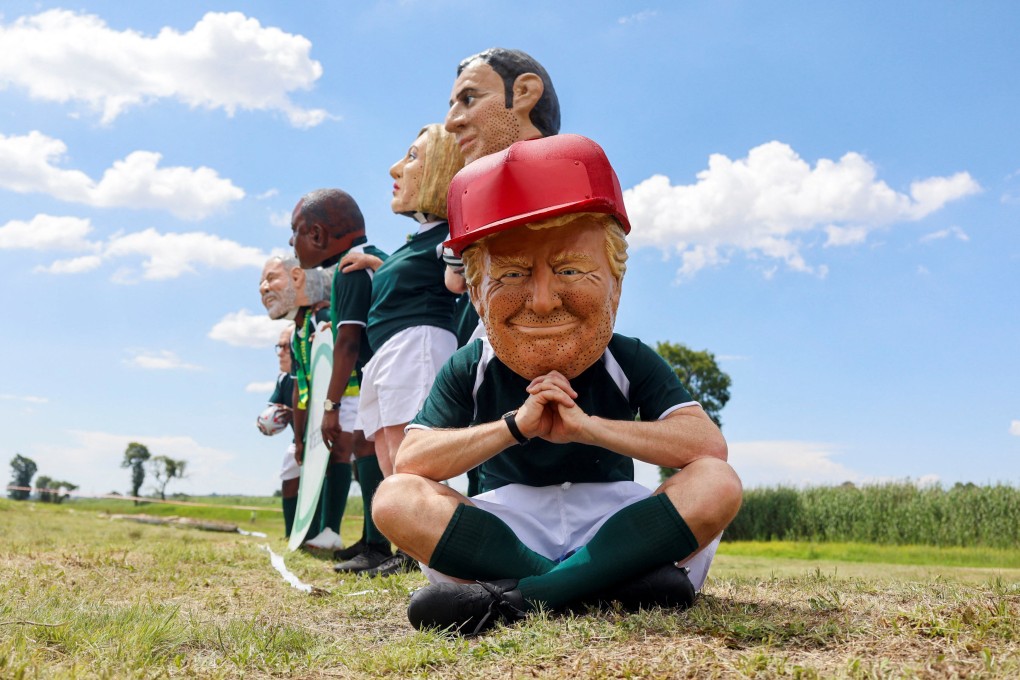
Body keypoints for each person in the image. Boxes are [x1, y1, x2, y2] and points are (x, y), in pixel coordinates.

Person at [372, 135, 743, 635]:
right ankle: (608, 588)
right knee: (394, 498)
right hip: (506, 526)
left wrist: (589, 429)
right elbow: (411, 462)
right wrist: (514, 427)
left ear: (616, 280)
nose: (543, 300)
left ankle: (522, 598)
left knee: (716, 483)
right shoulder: (472, 364)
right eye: (513, 273)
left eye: (570, 269)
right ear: (477, 293)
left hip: (616, 522)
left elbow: (705, 446)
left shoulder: (625, 355)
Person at [332, 123, 465, 577]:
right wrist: (379, 261)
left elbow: (455, 275)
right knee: (390, 451)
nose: (396, 167)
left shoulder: (451, 232)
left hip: (419, 343)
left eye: (411, 157)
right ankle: (410, 542)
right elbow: (413, 270)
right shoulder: (420, 240)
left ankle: (431, 541)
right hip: (391, 350)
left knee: (412, 453)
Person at [443, 47, 563, 496]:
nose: (454, 120)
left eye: (469, 99)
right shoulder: (479, 188)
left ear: (525, 92)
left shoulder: (556, 173)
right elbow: (457, 279)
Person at [289, 189, 391, 562]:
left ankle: (382, 544)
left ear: (316, 234)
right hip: (385, 370)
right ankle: (372, 540)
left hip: (386, 369)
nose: (291, 242)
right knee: (366, 444)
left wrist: (330, 406)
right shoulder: (375, 259)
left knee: (373, 447)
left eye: (295, 232)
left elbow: (347, 343)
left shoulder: (349, 270)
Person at [259, 255, 338, 546]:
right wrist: (300, 438)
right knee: (295, 473)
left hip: (340, 407)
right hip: (308, 427)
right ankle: (298, 530)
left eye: (271, 278)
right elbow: (299, 392)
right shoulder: (299, 333)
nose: (264, 289)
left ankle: (333, 531)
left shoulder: (323, 318)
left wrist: (332, 408)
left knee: (341, 460)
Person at [256, 324, 298, 536]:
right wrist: (265, 422)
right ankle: (290, 532)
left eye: (284, 346)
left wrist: (295, 412)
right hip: (297, 440)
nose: (279, 352)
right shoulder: (283, 379)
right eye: (278, 347)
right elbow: (272, 410)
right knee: (289, 480)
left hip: (322, 439)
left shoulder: (313, 374)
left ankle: (319, 531)